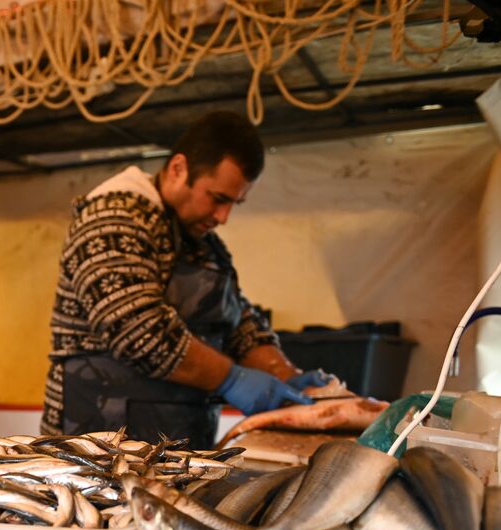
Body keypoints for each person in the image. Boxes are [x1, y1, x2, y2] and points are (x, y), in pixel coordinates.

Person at [41, 111, 332, 447]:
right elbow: (136, 330)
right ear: (179, 169)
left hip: (179, 439)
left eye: (235, 203)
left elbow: (237, 324)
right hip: (98, 441)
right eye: (218, 198)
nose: (223, 217)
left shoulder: (205, 246)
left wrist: (287, 377)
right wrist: (231, 378)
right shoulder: (115, 217)